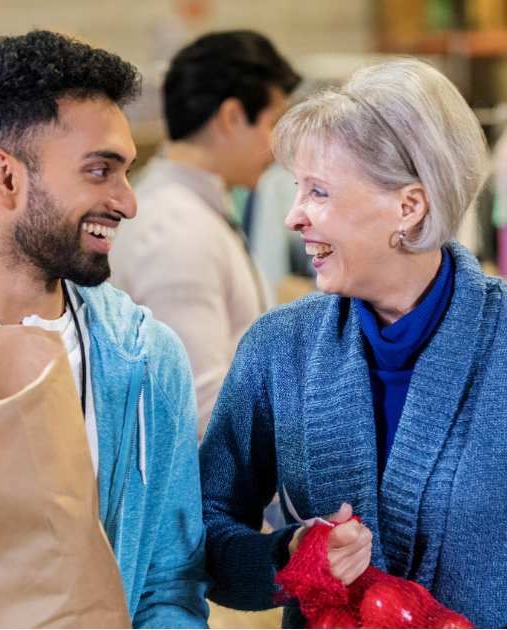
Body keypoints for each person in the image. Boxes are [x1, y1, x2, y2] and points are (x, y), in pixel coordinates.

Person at [0, 30, 208, 627]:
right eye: (101, 171)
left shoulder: (148, 360)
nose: (128, 201)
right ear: (7, 177)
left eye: (127, 173)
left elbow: (170, 586)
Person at [200, 58, 504, 628]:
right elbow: (205, 523)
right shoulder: (278, 349)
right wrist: (285, 556)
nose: (293, 217)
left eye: (319, 191)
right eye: (297, 189)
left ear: (409, 207)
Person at [110, 31, 300, 437]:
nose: (278, 145)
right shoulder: (177, 230)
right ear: (232, 117)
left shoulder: (192, 208)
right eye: (273, 123)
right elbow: (201, 409)